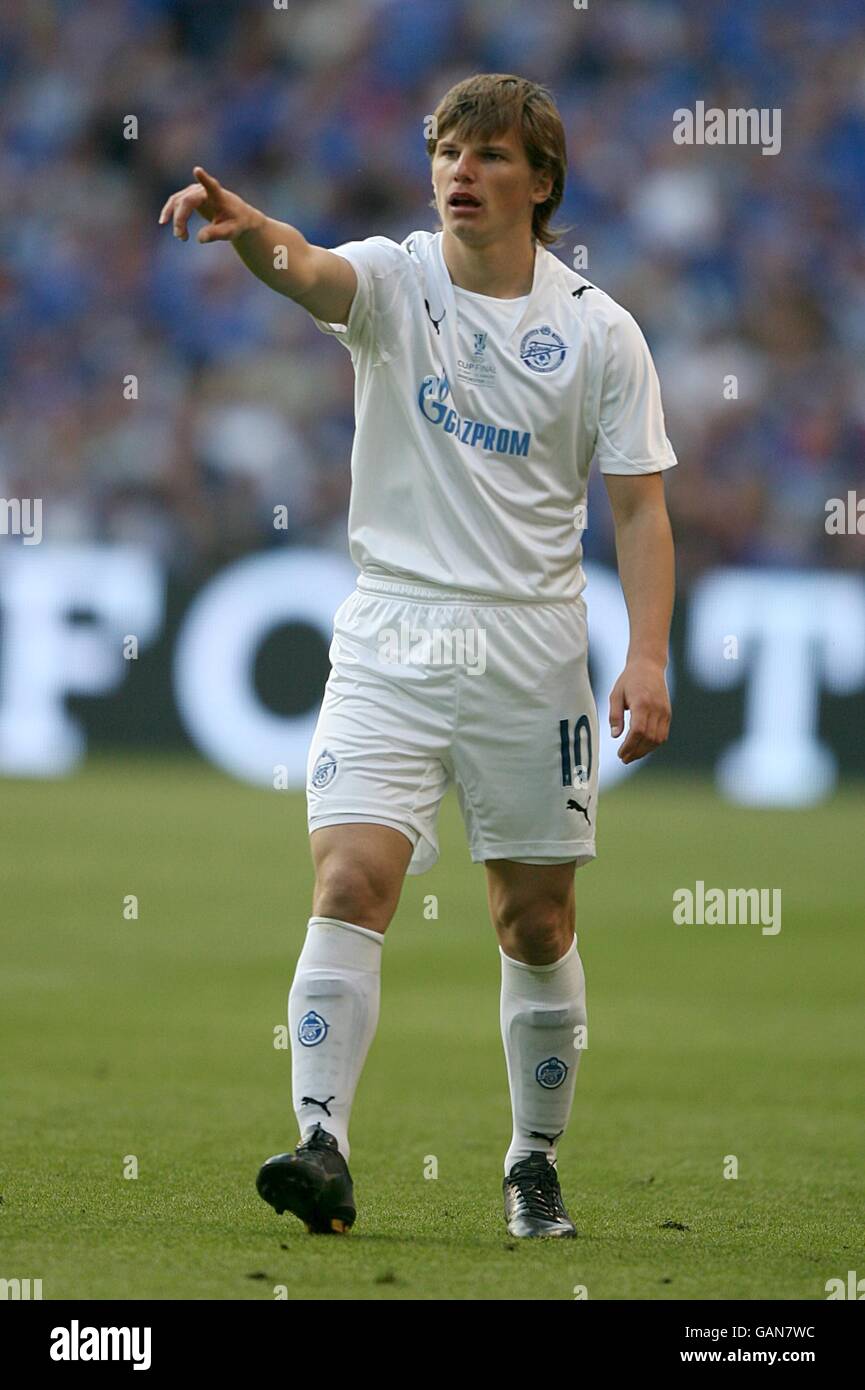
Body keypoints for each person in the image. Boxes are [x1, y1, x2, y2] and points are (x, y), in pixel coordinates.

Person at [159, 72, 676, 1239]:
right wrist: (253, 238)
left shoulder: (600, 331)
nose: (462, 172)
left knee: (534, 923)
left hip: (531, 648)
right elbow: (309, 268)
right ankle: (322, 1141)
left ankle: (530, 1161)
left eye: (491, 155)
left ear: (540, 182)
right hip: (391, 629)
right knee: (349, 881)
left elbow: (640, 511)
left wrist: (646, 657)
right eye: (448, 150)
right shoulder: (395, 282)